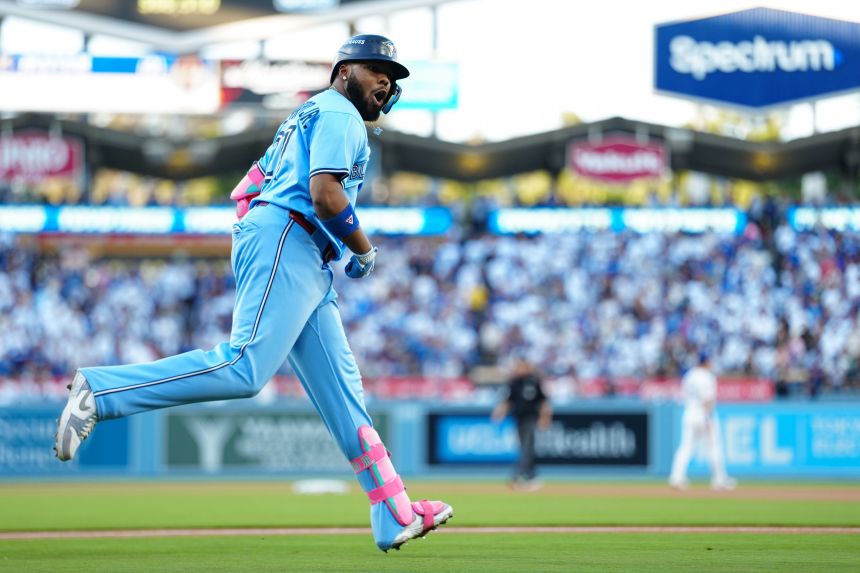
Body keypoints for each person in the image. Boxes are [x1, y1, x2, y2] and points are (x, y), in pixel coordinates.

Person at [53, 34, 452, 552]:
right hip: (291, 235)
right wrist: (363, 250)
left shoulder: (308, 115)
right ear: (343, 70)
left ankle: (393, 511)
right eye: (377, 68)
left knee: (345, 396)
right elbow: (325, 194)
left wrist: (292, 238)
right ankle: (100, 392)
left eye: (392, 76)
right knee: (244, 367)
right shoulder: (339, 114)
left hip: (299, 248)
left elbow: (251, 185)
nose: (385, 81)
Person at [668, 353, 737, 491]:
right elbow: (708, 399)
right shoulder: (706, 376)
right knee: (714, 446)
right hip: (703, 414)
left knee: (685, 447)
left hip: (689, 413)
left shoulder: (690, 375)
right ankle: (719, 480)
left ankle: (676, 477)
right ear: (706, 362)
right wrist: (708, 418)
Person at [491, 358, 552, 490]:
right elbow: (508, 401)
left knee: (527, 446)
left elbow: (543, 401)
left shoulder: (534, 381)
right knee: (524, 447)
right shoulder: (514, 382)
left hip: (531, 418)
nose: (518, 369)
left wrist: (545, 417)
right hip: (518, 418)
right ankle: (532, 475)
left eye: (521, 366)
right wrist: (500, 412)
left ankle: (520, 474)